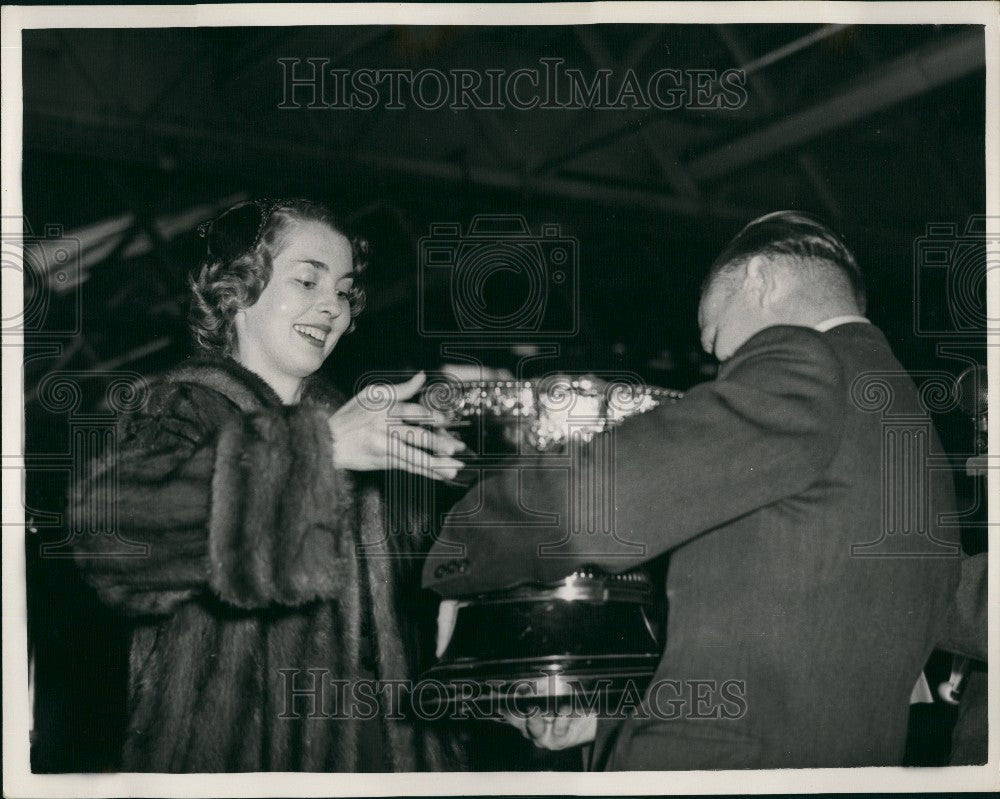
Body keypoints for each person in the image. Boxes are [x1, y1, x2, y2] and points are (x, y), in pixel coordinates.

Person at [423, 211, 961, 768]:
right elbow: (794, 641)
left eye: (716, 336)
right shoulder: (906, 420)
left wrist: (462, 550)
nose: (719, 361)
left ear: (760, 279)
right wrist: (606, 722)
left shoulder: (805, 359)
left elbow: (597, 507)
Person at [71, 198, 467, 771]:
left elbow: (436, 600)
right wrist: (316, 452)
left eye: (344, 290)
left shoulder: (370, 433)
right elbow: (113, 544)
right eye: (308, 280)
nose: (331, 306)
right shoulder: (179, 405)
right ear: (237, 289)